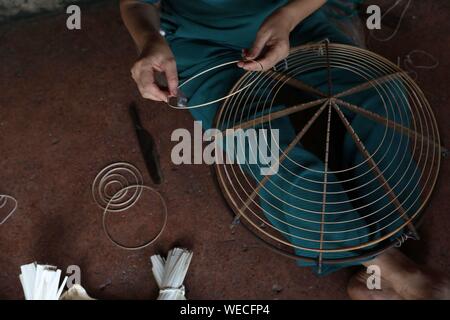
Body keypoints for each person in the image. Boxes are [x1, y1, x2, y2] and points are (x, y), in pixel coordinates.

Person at [119, 0, 450, 299]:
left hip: (294, 21)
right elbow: (136, 4)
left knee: (379, 95)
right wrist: (149, 40)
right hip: (201, 47)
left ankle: (374, 261)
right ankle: (392, 268)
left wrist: (287, 18)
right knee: (265, 150)